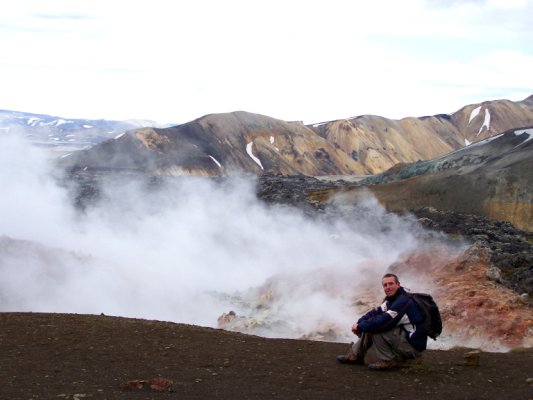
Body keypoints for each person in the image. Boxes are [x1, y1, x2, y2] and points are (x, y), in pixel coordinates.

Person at [336, 273, 427, 370]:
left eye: (391, 284)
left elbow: (384, 321)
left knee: (377, 327)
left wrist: (359, 328)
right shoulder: (391, 301)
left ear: (398, 285)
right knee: (371, 324)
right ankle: (355, 355)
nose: (388, 287)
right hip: (404, 341)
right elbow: (374, 313)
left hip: (413, 348)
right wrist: (359, 323)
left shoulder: (403, 302)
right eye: (385, 285)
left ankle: (388, 361)